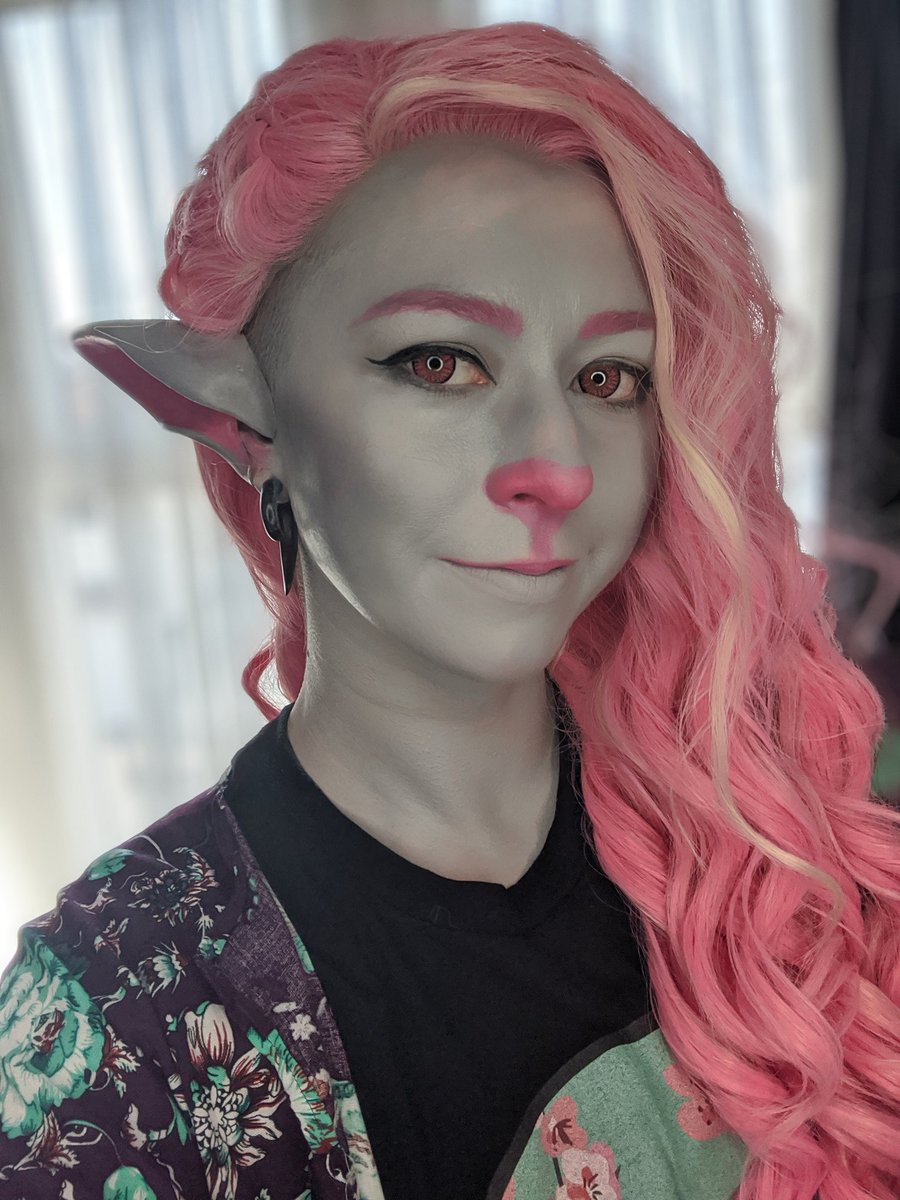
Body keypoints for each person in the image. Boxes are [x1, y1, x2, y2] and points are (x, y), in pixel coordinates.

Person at [1, 20, 898, 1200]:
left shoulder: (801, 822)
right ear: (246, 422)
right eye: (439, 363)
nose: (555, 467)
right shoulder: (122, 1014)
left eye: (608, 379)